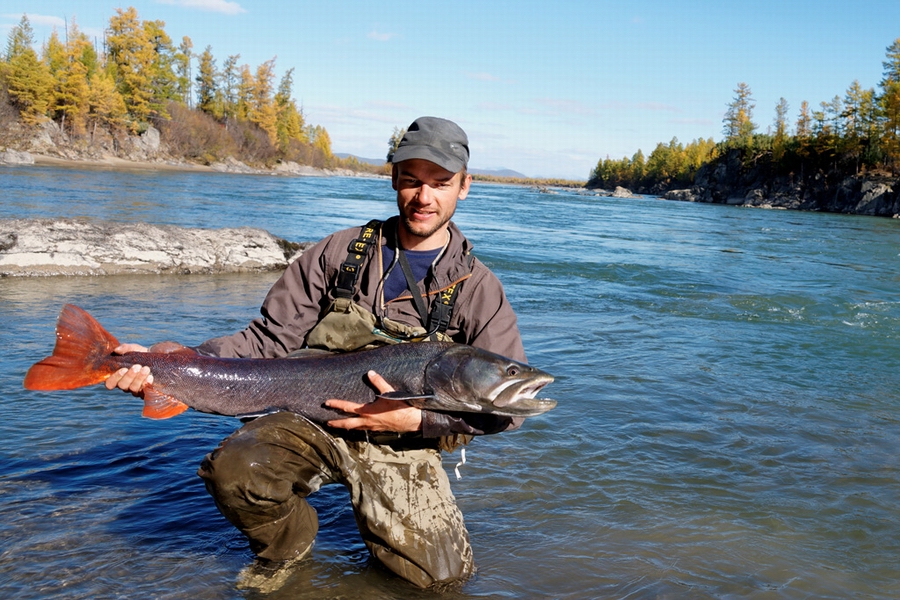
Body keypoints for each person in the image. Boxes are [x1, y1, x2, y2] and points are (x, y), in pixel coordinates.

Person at [105, 116, 527, 590]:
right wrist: (174, 362)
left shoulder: (478, 290)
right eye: (412, 180)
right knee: (235, 470)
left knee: (437, 583)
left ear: (464, 186)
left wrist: (418, 421)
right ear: (394, 179)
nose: (423, 197)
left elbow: (507, 412)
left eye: (441, 183)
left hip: (404, 442)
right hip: (309, 418)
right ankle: (286, 552)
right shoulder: (340, 253)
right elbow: (266, 340)